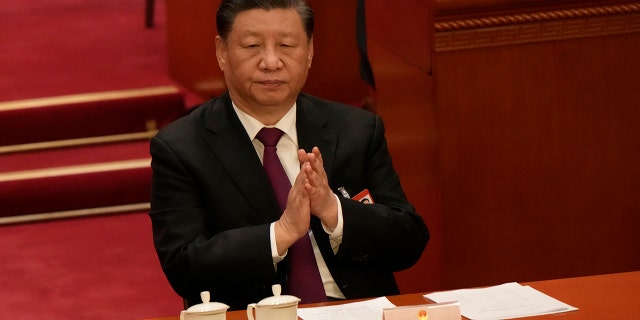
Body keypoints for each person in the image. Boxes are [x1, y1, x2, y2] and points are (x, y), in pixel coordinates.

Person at [149, 0, 429, 310]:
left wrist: (333, 211)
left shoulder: (355, 129)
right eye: (252, 45)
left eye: (286, 45)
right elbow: (183, 266)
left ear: (309, 51)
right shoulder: (182, 147)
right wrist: (279, 234)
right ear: (221, 51)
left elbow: (409, 241)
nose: (271, 62)